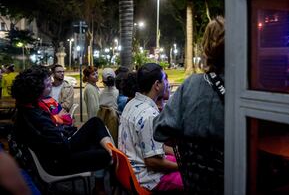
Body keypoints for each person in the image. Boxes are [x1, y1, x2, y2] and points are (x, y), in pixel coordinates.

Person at [11, 66, 113, 194]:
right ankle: (111, 157)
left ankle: (109, 157)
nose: (51, 84)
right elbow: (61, 145)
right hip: (57, 163)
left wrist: (65, 130)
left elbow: (55, 135)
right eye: (48, 84)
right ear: (36, 90)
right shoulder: (36, 116)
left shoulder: (28, 109)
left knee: (95, 124)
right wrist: (67, 132)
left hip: (56, 152)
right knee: (103, 153)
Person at [153, 16, 225, 194]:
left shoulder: (191, 85)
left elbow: (159, 130)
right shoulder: (247, 87)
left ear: (206, 47)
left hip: (195, 183)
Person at [118, 63, 183, 192]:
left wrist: (177, 154)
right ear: (157, 85)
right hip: (147, 179)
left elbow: (150, 145)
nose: (167, 83)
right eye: (165, 79)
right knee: (191, 179)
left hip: (131, 171)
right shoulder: (149, 115)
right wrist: (181, 166)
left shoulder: (131, 104)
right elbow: (152, 162)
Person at [98, 68, 119, 144]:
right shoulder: (118, 93)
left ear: (103, 81)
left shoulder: (101, 93)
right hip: (116, 126)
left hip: (103, 126)